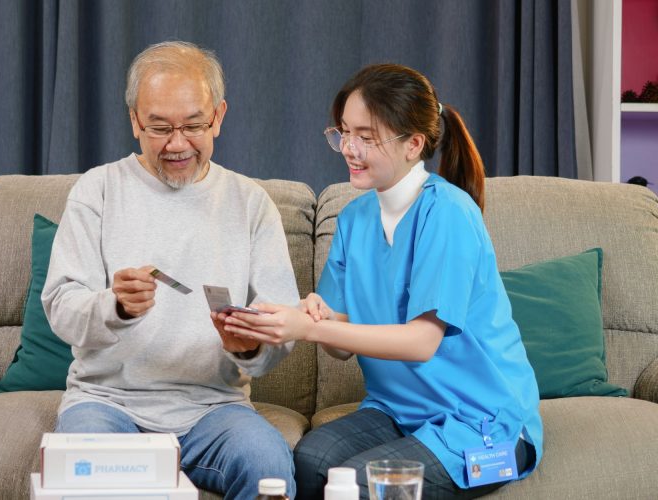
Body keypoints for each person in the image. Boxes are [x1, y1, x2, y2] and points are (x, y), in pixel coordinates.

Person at [223, 63, 543, 499]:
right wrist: (312, 312)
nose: (349, 148)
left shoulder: (448, 213)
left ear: (413, 144)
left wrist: (310, 327)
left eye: (367, 137)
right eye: (343, 133)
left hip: (482, 421)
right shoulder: (354, 218)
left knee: (359, 482)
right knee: (312, 461)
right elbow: (338, 345)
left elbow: (421, 343)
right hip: (400, 411)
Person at [41, 41, 300, 499]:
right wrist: (113, 307)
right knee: (79, 477)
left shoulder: (251, 203)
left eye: (194, 125)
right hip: (107, 404)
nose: (177, 144)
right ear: (134, 121)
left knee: (267, 465)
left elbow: (285, 325)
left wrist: (248, 348)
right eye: (159, 127)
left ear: (218, 116)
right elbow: (60, 305)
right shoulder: (97, 191)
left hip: (214, 408)